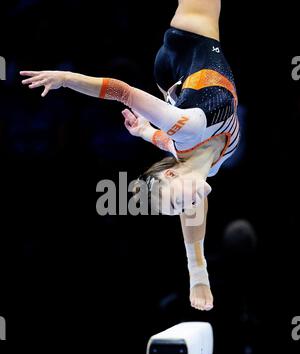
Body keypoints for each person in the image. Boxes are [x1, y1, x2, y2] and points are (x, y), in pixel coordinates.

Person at [20, 0, 240, 311]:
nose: (187, 207)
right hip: (181, 83)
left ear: (172, 173)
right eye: (181, 208)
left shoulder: (186, 129)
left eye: (178, 202)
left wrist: (65, 79)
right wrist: (142, 133)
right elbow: (165, 145)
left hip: (189, 41)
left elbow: (123, 92)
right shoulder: (204, 163)